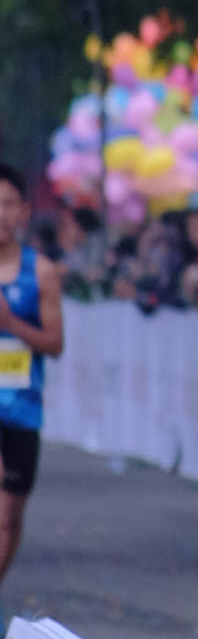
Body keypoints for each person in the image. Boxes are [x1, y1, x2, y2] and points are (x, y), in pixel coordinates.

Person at [0, 165, 64, 584]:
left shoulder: (40, 272)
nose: (1, 214)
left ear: (24, 211)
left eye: (8, 204)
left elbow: (55, 344)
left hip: (21, 408)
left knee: (9, 516)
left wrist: (12, 324)